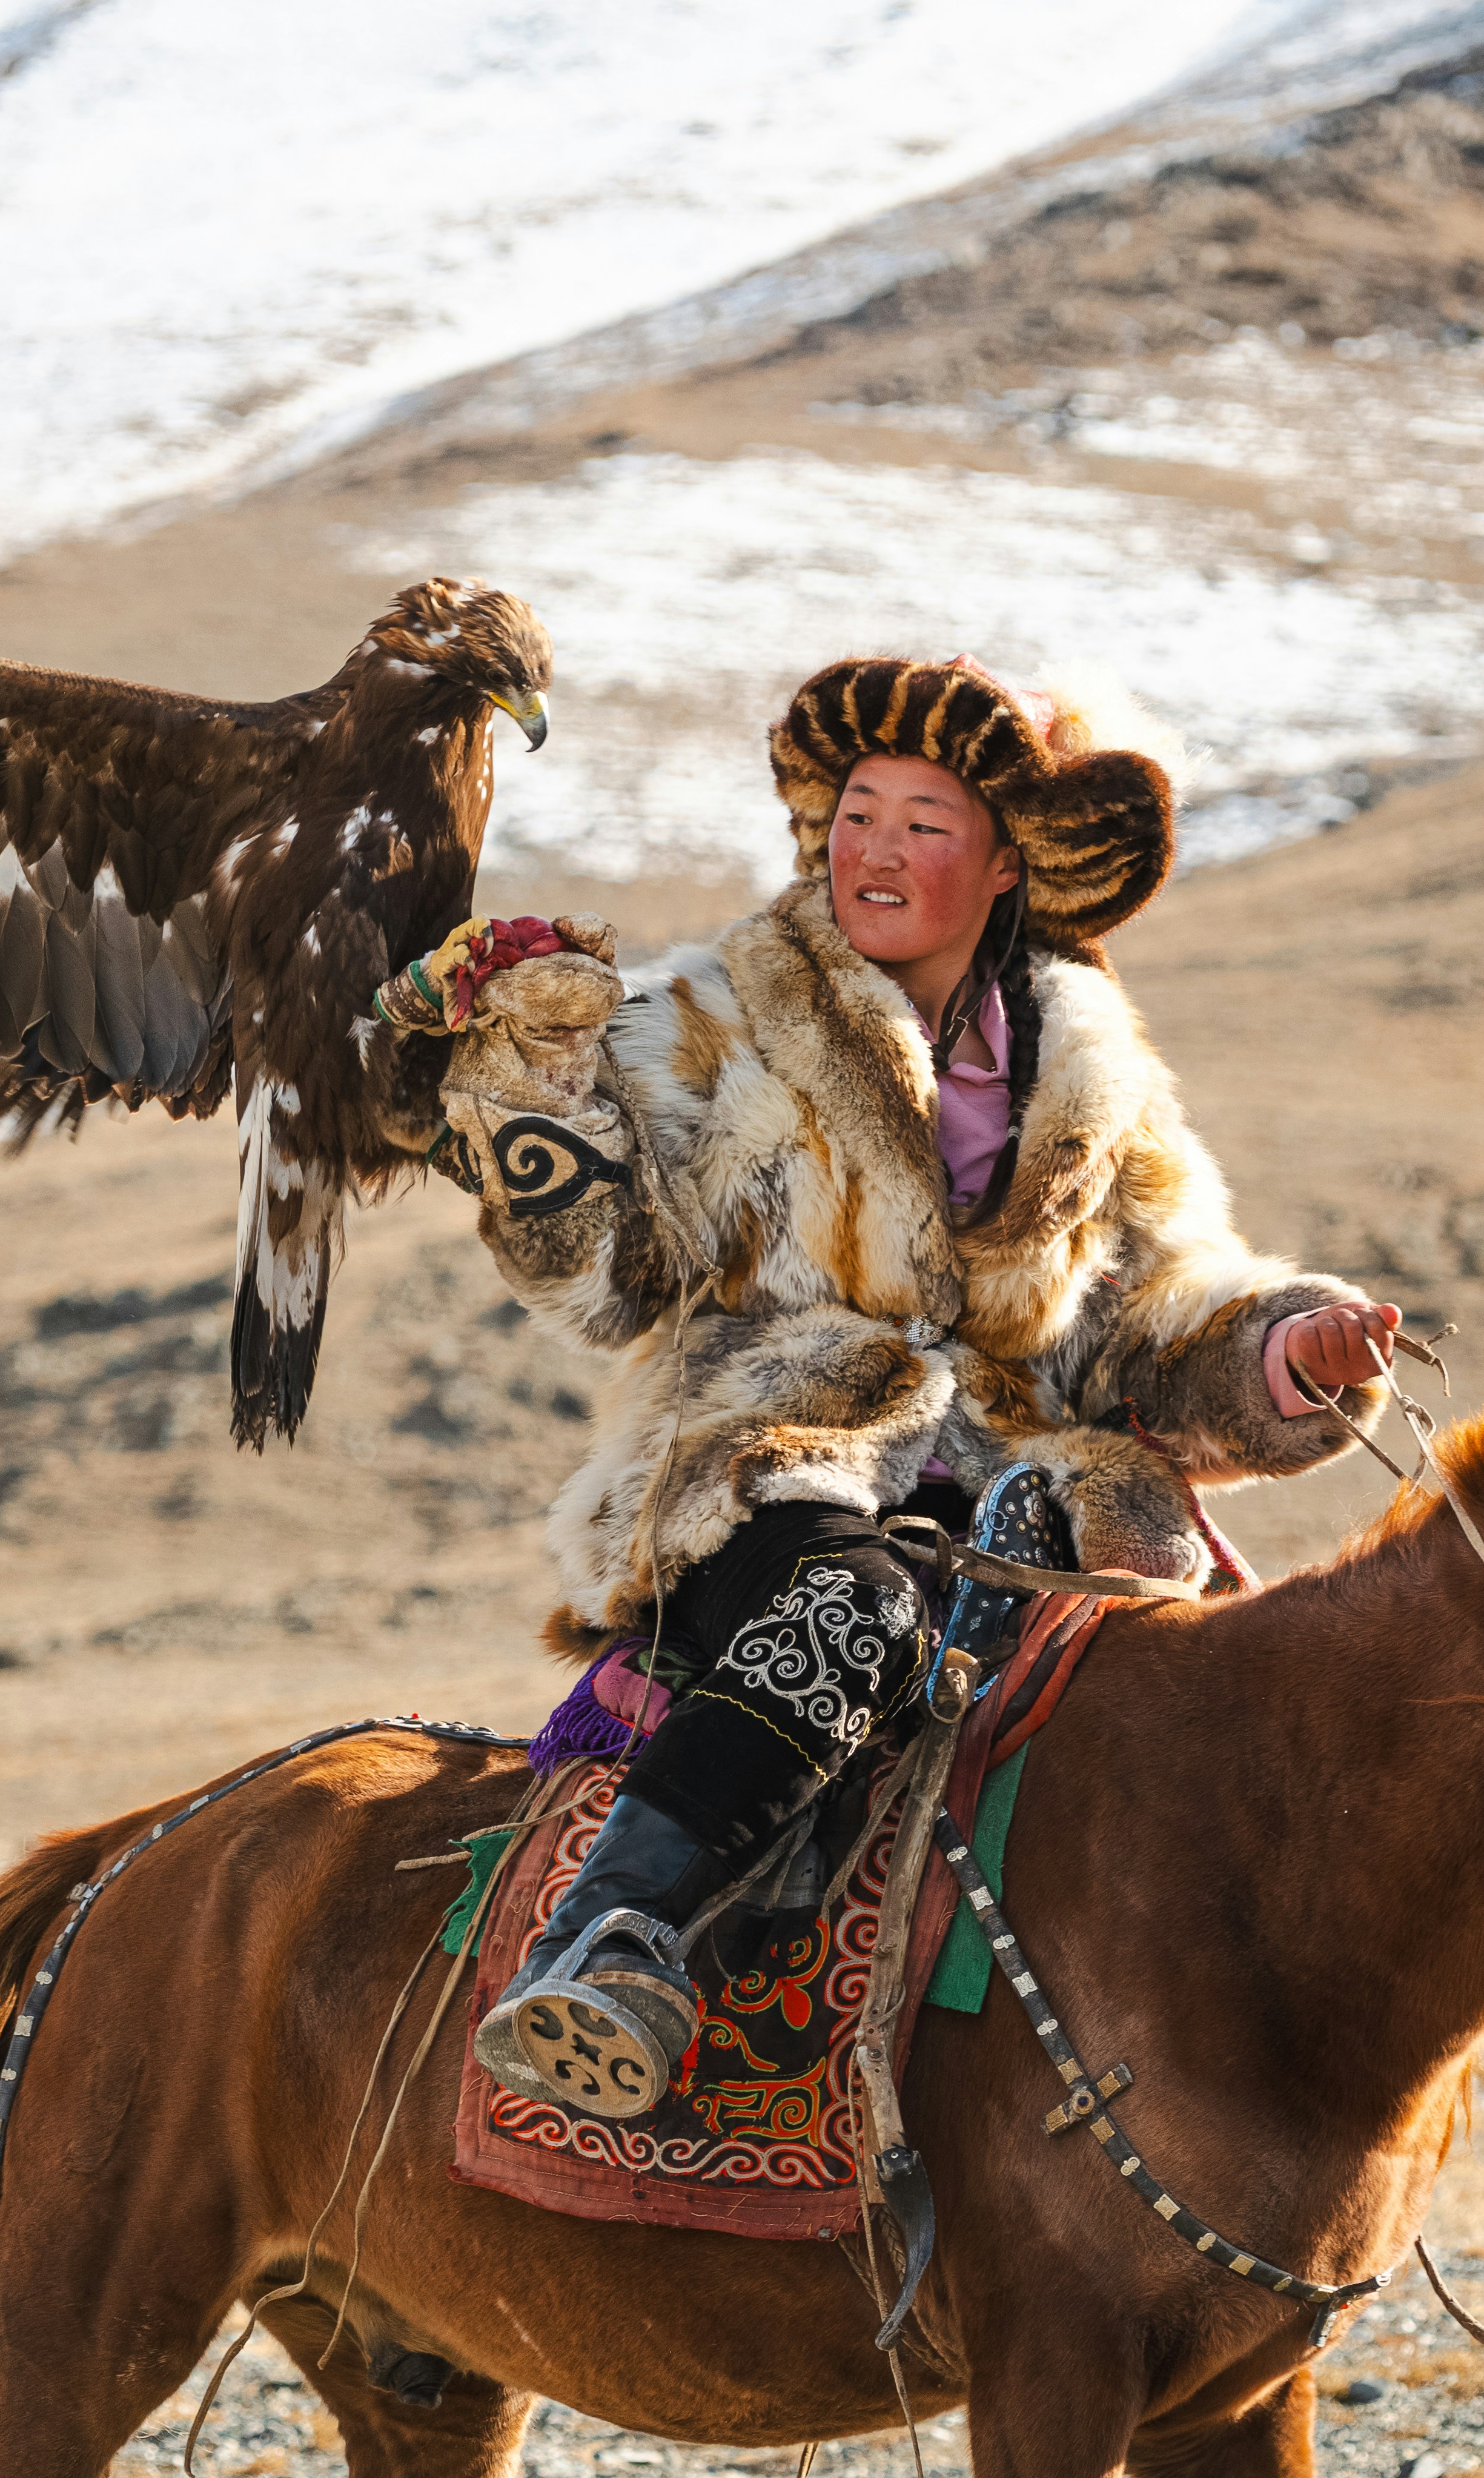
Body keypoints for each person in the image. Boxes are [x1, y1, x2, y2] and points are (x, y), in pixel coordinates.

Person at [381, 654, 1397, 2121]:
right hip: (774, 1469)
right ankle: (605, 1944)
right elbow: (607, 1280)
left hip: (1037, 1510)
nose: (873, 848)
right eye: (859, 810)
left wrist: (1290, 1347)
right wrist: (527, 1099)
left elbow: (1165, 1310)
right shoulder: (705, 1021)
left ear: (1003, 865)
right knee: (858, 1612)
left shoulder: (1091, 1078)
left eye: (924, 822)